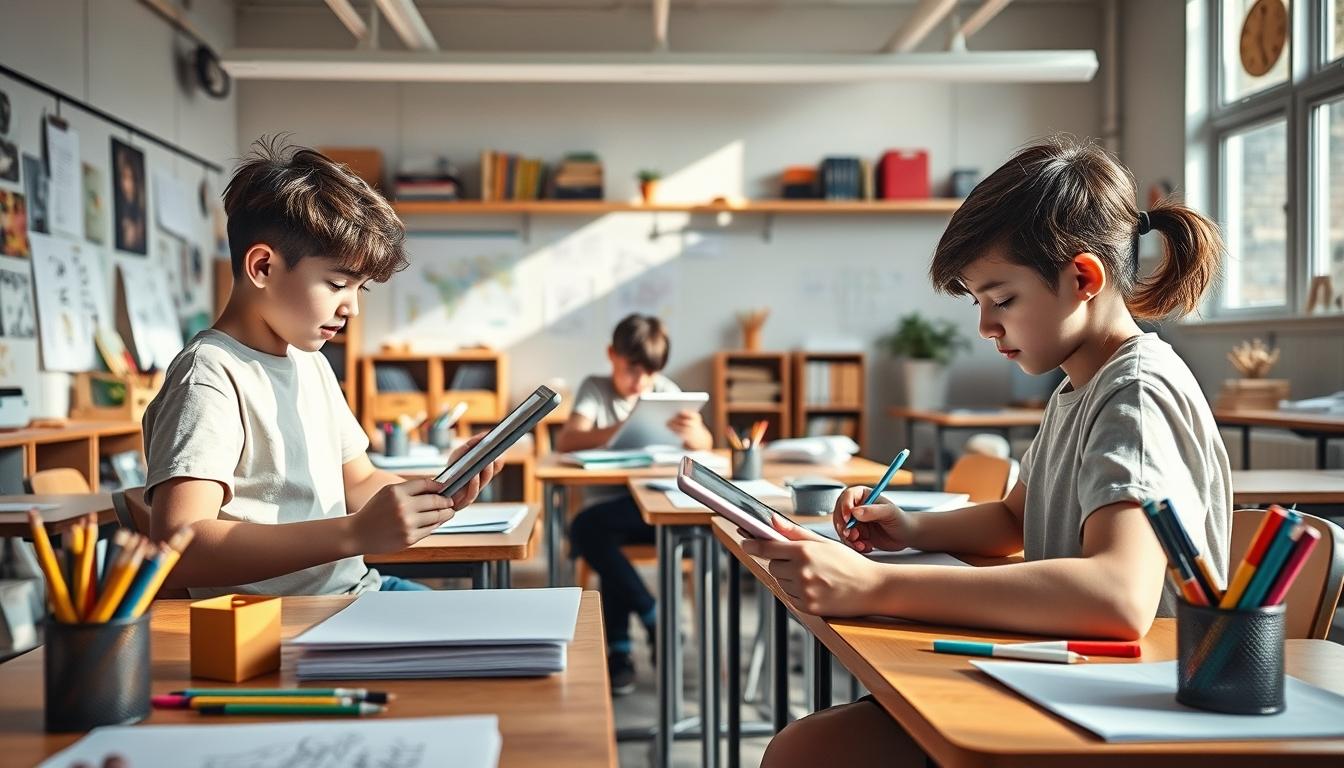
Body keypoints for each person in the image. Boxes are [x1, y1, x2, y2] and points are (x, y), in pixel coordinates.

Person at [747, 135, 1231, 766]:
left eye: (1002, 300)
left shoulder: (1133, 393)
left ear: (1083, 277)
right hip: (1069, 676)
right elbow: (1011, 520)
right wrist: (909, 529)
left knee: (810, 753)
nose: (986, 326)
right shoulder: (1076, 389)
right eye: (979, 303)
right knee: (812, 745)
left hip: (1128, 711)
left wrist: (874, 587)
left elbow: (1117, 598)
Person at [143, 137, 500, 597]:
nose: (350, 307)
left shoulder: (310, 362)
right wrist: (353, 534)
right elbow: (180, 546)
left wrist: (437, 491)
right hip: (277, 624)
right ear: (263, 267)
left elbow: (360, 482)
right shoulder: (210, 375)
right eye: (337, 284)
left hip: (355, 592)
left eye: (360, 289)